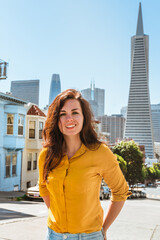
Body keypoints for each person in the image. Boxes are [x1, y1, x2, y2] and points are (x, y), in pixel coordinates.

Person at [38, 89, 131, 240]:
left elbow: (120, 192)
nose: (69, 118)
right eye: (63, 114)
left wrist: (103, 229)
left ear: (84, 117)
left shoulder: (100, 152)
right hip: (54, 235)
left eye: (75, 112)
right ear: (56, 119)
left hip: (90, 236)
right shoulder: (46, 155)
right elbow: (43, 187)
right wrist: (59, 216)